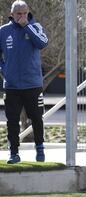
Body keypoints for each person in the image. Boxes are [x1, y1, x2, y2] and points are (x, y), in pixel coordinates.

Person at [0, 0, 48, 164]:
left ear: (28, 13)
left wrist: (27, 26)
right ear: (11, 15)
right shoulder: (3, 31)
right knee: (12, 121)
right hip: (12, 86)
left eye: (24, 13)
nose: (22, 16)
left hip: (33, 85)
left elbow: (42, 43)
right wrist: (4, 70)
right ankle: (14, 153)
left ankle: (40, 150)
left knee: (36, 118)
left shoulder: (36, 27)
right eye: (18, 14)